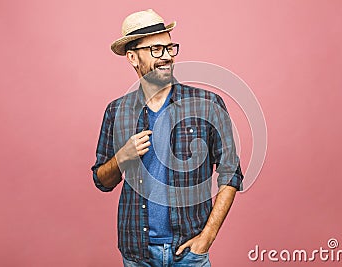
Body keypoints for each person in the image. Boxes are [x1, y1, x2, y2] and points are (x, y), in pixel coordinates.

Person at [91, 9, 243, 266]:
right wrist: (122, 157)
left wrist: (207, 236)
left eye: (169, 47)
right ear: (132, 57)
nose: (166, 57)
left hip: (188, 252)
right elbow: (101, 180)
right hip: (136, 252)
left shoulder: (206, 104)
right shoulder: (117, 111)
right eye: (156, 49)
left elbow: (231, 172)